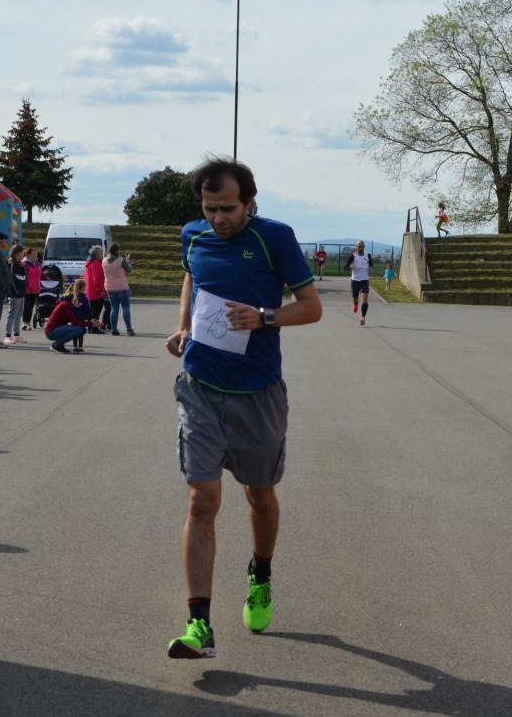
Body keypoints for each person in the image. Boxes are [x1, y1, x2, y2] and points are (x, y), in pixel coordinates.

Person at [164, 157, 322, 660]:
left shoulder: (274, 237)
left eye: (228, 209)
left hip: (258, 391)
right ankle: (199, 625)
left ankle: (261, 572)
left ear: (249, 202)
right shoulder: (193, 235)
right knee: (201, 500)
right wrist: (184, 325)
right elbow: (191, 278)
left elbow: (312, 306)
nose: (218, 218)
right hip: (200, 384)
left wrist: (264, 318)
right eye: (209, 208)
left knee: (260, 496)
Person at [103, 243, 135, 336]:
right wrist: (128, 262)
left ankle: (114, 329)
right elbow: (129, 270)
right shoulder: (121, 260)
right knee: (125, 307)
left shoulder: (104, 260)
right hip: (121, 287)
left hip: (109, 287)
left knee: (114, 308)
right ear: (117, 251)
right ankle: (129, 328)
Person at [347, 240, 373, 326]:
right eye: (358, 246)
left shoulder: (368, 255)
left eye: (361, 246)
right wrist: (351, 266)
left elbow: (371, 265)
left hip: (364, 279)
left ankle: (363, 318)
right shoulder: (353, 255)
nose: (360, 248)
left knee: (364, 298)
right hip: (355, 279)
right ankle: (355, 304)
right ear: (356, 247)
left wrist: (370, 269)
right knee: (355, 297)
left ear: (364, 247)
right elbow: (348, 265)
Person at [4, 246, 27, 344]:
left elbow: (24, 276)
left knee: (19, 314)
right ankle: (7, 336)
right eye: (22, 253)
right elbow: (11, 279)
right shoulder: (11, 263)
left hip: (21, 293)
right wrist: (15, 290)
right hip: (14, 293)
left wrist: (23, 267)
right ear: (17, 253)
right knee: (12, 314)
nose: (23, 255)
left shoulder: (20, 264)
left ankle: (16, 335)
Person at [84, 245, 109, 335]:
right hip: (96, 291)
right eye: (100, 253)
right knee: (96, 311)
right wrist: (101, 290)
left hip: (90, 290)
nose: (102, 254)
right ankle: (94, 328)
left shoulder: (89, 263)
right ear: (95, 255)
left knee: (92, 310)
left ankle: (90, 327)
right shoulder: (96, 264)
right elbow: (97, 279)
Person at [21, 249, 40, 331]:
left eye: (35, 254)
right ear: (28, 255)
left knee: (31, 307)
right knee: (26, 306)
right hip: (28, 289)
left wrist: (47, 277)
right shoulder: (24, 264)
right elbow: (23, 276)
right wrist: (26, 285)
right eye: (33, 254)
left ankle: (28, 323)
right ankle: (24, 323)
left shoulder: (36, 263)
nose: (35, 256)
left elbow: (39, 274)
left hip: (35, 289)